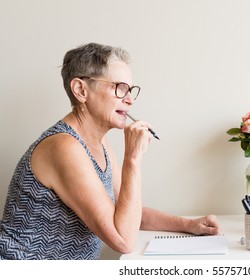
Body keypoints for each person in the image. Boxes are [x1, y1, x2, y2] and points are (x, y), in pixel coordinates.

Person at [0, 42, 220, 260]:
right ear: (81, 90)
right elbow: (123, 240)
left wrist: (189, 225)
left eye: (131, 90)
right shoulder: (63, 146)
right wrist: (133, 159)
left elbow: (126, 216)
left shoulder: (100, 143)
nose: (130, 100)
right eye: (119, 87)